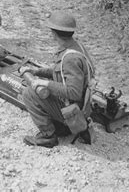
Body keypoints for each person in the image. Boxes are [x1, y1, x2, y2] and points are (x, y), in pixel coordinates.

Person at [20, 11, 95, 148]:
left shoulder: (70, 59)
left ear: (54, 34)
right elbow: (59, 72)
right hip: (79, 105)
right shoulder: (76, 48)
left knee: (29, 94)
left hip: (73, 109)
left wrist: (46, 83)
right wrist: (37, 72)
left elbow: (73, 92)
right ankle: (61, 125)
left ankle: (48, 136)